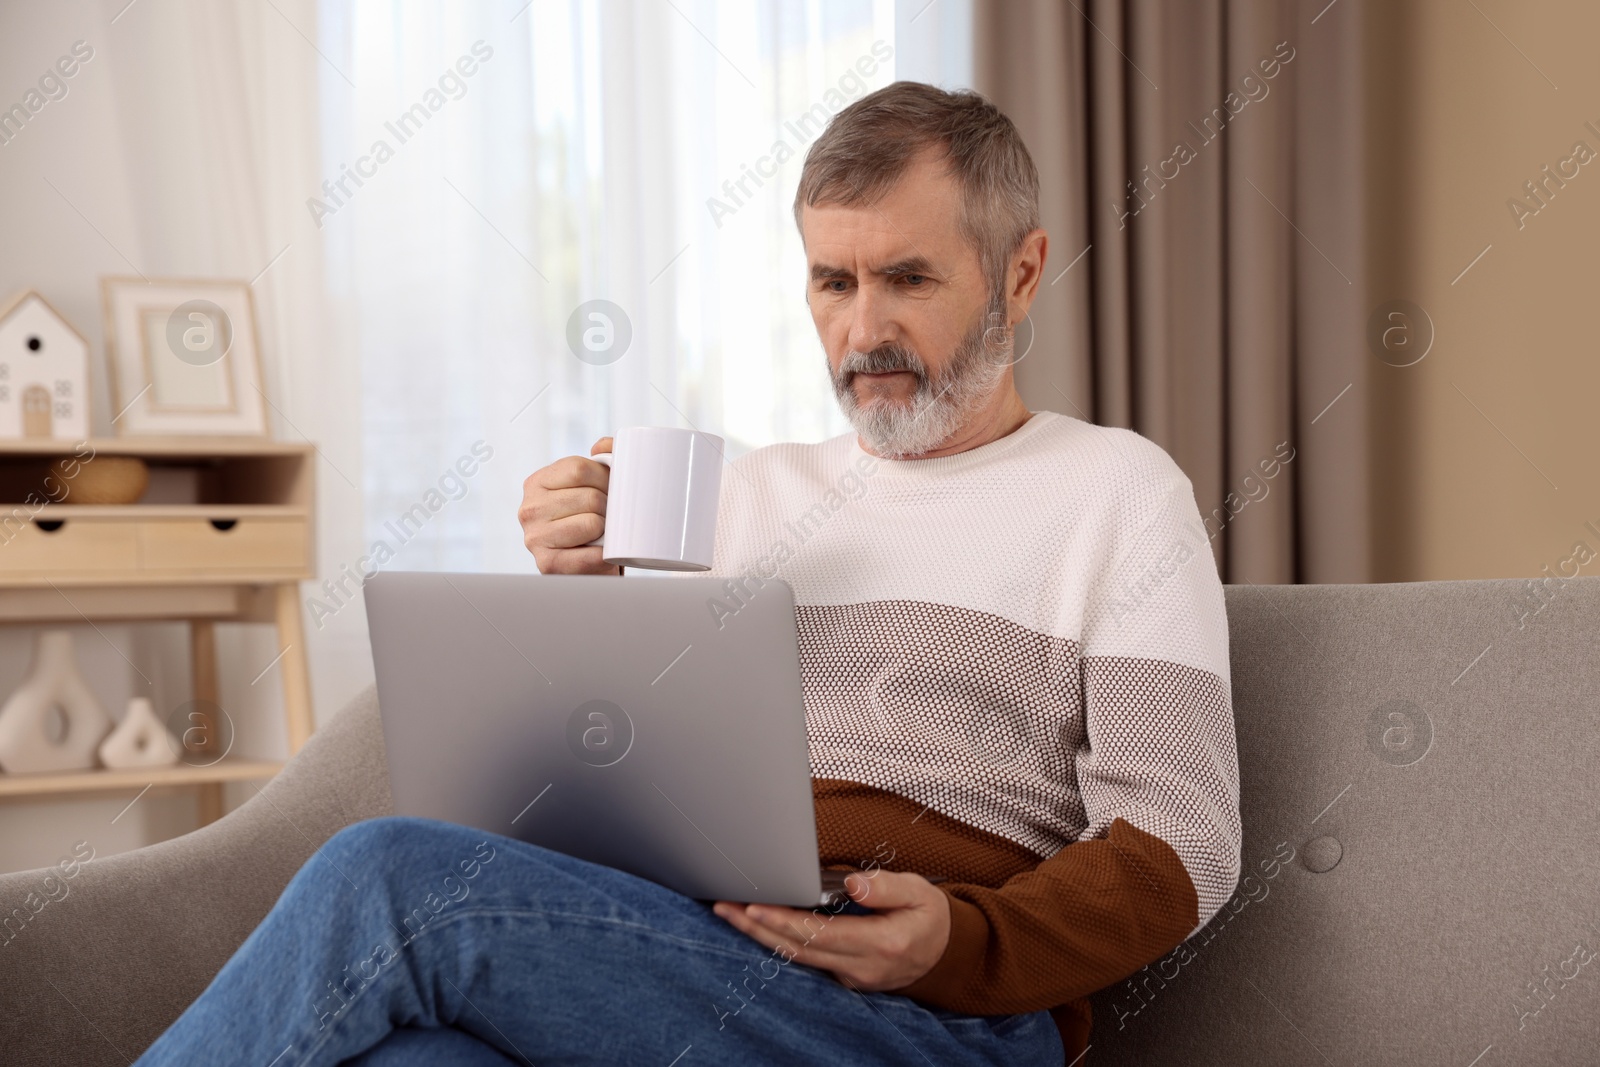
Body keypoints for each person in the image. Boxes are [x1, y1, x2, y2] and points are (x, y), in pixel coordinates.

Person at [134, 81, 1240, 1067]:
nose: (863, 328)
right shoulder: (749, 492)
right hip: (686, 952)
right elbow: (619, 779)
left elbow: (1181, 845)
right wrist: (580, 594)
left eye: (908, 277)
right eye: (831, 280)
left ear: (1021, 271)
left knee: (386, 877)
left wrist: (959, 941)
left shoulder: (1119, 493)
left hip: (931, 1012)